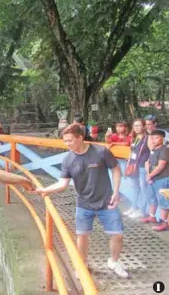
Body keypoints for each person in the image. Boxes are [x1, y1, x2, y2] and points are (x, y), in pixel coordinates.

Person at [34, 123, 129, 278]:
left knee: (117, 234)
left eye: (70, 140)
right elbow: (63, 183)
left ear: (80, 137)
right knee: (82, 235)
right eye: (65, 141)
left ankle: (114, 261)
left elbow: (116, 169)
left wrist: (116, 192)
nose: (67, 144)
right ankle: (82, 264)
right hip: (84, 204)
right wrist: (44, 190)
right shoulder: (68, 160)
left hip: (106, 201)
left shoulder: (101, 151)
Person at [141, 129, 169, 231]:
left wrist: (149, 175)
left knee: (163, 202)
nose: (153, 140)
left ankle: (164, 223)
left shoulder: (164, 150)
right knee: (152, 198)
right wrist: (149, 175)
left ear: (163, 139)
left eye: (156, 138)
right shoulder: (153, 150)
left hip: (163, 179)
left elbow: (161, 166)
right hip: (153, 179)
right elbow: (147, 164)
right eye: (152, 138)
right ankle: (152, 216)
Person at [123, 119, 149, 219]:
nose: (137, 128)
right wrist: (128, 165)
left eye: (139, 125)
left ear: (144, 126)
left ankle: (142, 210)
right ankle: (134, 207)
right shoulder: (135, 137)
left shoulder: (147, 138)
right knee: (135, 188)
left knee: (143, 188)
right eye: (135, 126)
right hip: (133, 165)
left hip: (142, 166)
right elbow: (131, 153)